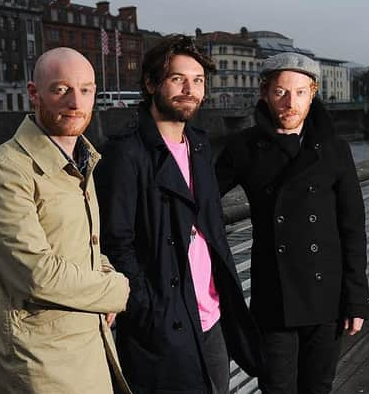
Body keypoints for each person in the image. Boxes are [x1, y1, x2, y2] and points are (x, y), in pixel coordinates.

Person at [95, 35, 263, 394]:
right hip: (164, 321)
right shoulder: (125, 154)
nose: (190, 89)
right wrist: (146, 306)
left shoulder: (199, 145)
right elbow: (115, 241)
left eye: (198, 80)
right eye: (177, 79)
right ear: (151, 83)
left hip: (210, 314)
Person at [0, 47, 131, 394]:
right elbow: (34, 273)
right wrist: (114, 289)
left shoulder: (82, 159)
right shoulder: (6, 170)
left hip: (86, 343)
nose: (76, 101)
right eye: (61, 89)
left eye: (86, 89)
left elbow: (83, 244)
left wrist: (103, 270)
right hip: (41, 363)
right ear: (34, 93)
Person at [215, 52, 369, 394]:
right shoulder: (244, 148)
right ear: (265, 93)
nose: (290, 102)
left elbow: (353, 228)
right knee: (277, 387)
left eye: (300, 92)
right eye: (281, 92)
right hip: (274, 296)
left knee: (318, 387)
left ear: (313, 94)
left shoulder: (334, 149)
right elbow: (203, 195)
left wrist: (357, 299)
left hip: (326, 296)